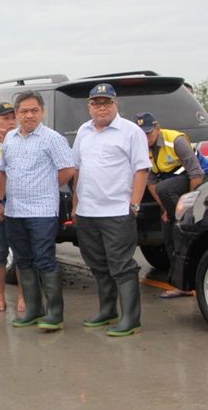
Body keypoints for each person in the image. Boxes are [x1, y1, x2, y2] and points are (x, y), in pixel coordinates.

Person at [73, 84, 151, 337]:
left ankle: (131, 318)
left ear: (116, 105)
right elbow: (78, 169)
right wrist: (76, 204)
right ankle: (107, 311)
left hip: (117, 210)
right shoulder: (83, 131)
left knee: (121, 265)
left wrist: (135, 204)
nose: (101, 107)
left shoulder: (131, 132)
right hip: (87, 211)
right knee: (97, 263)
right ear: (89, 107)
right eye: (96, 103)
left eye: (106, 102)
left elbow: (141, 169)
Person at [0, 90, 75, 331]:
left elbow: (68, 169)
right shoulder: (10, 138)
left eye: (34, 111)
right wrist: (0, 202)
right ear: (17, 114)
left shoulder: (52, 138)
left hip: (42, 210)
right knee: (22, 259)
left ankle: (55, 313)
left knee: (44, 258)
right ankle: (33, 309)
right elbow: (4, 171)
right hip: (14, 210)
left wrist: (46, 187)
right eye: (24, 111)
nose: (29, 115)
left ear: (42, 112)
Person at [134, 111, 205, 299]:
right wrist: (166, 210)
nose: (146, 138)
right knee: (170, 235)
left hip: (197, 181)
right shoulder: (143, 149)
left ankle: (179, 218)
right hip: (171, 188)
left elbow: (196, 174)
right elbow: (151, 184)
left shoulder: (176, 140)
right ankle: (180, 285)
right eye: (141, 134)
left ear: (157, 128)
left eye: (149, 133)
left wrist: (188, 211)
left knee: (167, 191)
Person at [0, 103, 25, 313]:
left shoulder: (21, 141)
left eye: (13, 117)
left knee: (21, 253)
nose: (11, 122)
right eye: (5, 118)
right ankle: (0, 296)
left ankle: (23, 296)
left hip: (19, 204)